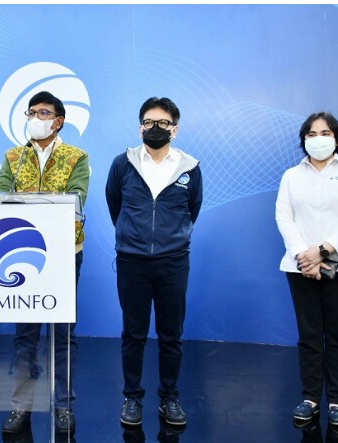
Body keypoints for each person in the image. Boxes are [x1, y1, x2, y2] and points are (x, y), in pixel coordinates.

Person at [0, 91, 90, 434]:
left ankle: (63, 405)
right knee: (26, 334)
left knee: (63, 334)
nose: (35, 118)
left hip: (64, 254)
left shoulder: (76, 157)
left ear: (58, 121)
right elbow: (0, 195)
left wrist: (29, 202)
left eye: (43, 112)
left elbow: (76, 198)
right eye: (31, 112)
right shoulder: (13, 157)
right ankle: (21, 405)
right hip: (23, 255)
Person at [105, 97, 203, 427]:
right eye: (149, 122)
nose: (155, 128)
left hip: (173, 262)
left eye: (163, 123)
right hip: (131, 262)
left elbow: (191, 210)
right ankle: (132, 398)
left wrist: (168, 238)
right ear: (140, 128)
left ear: (175, 129)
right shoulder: (123, 164)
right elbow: (115, 204)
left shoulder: (189, 167)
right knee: (133, 333)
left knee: (171, 335)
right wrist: (134, 236)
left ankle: (169, 398)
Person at [276, 112, 338, 427]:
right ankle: (310, 399)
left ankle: (337, 401)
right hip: (301, 265)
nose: (319, 139)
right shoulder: (291, 175)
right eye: (312, 134)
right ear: (304, 139)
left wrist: (322, 251)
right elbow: (284, 217)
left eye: (325, 133)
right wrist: (304, 255)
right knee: (309, 335)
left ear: (336, 138)